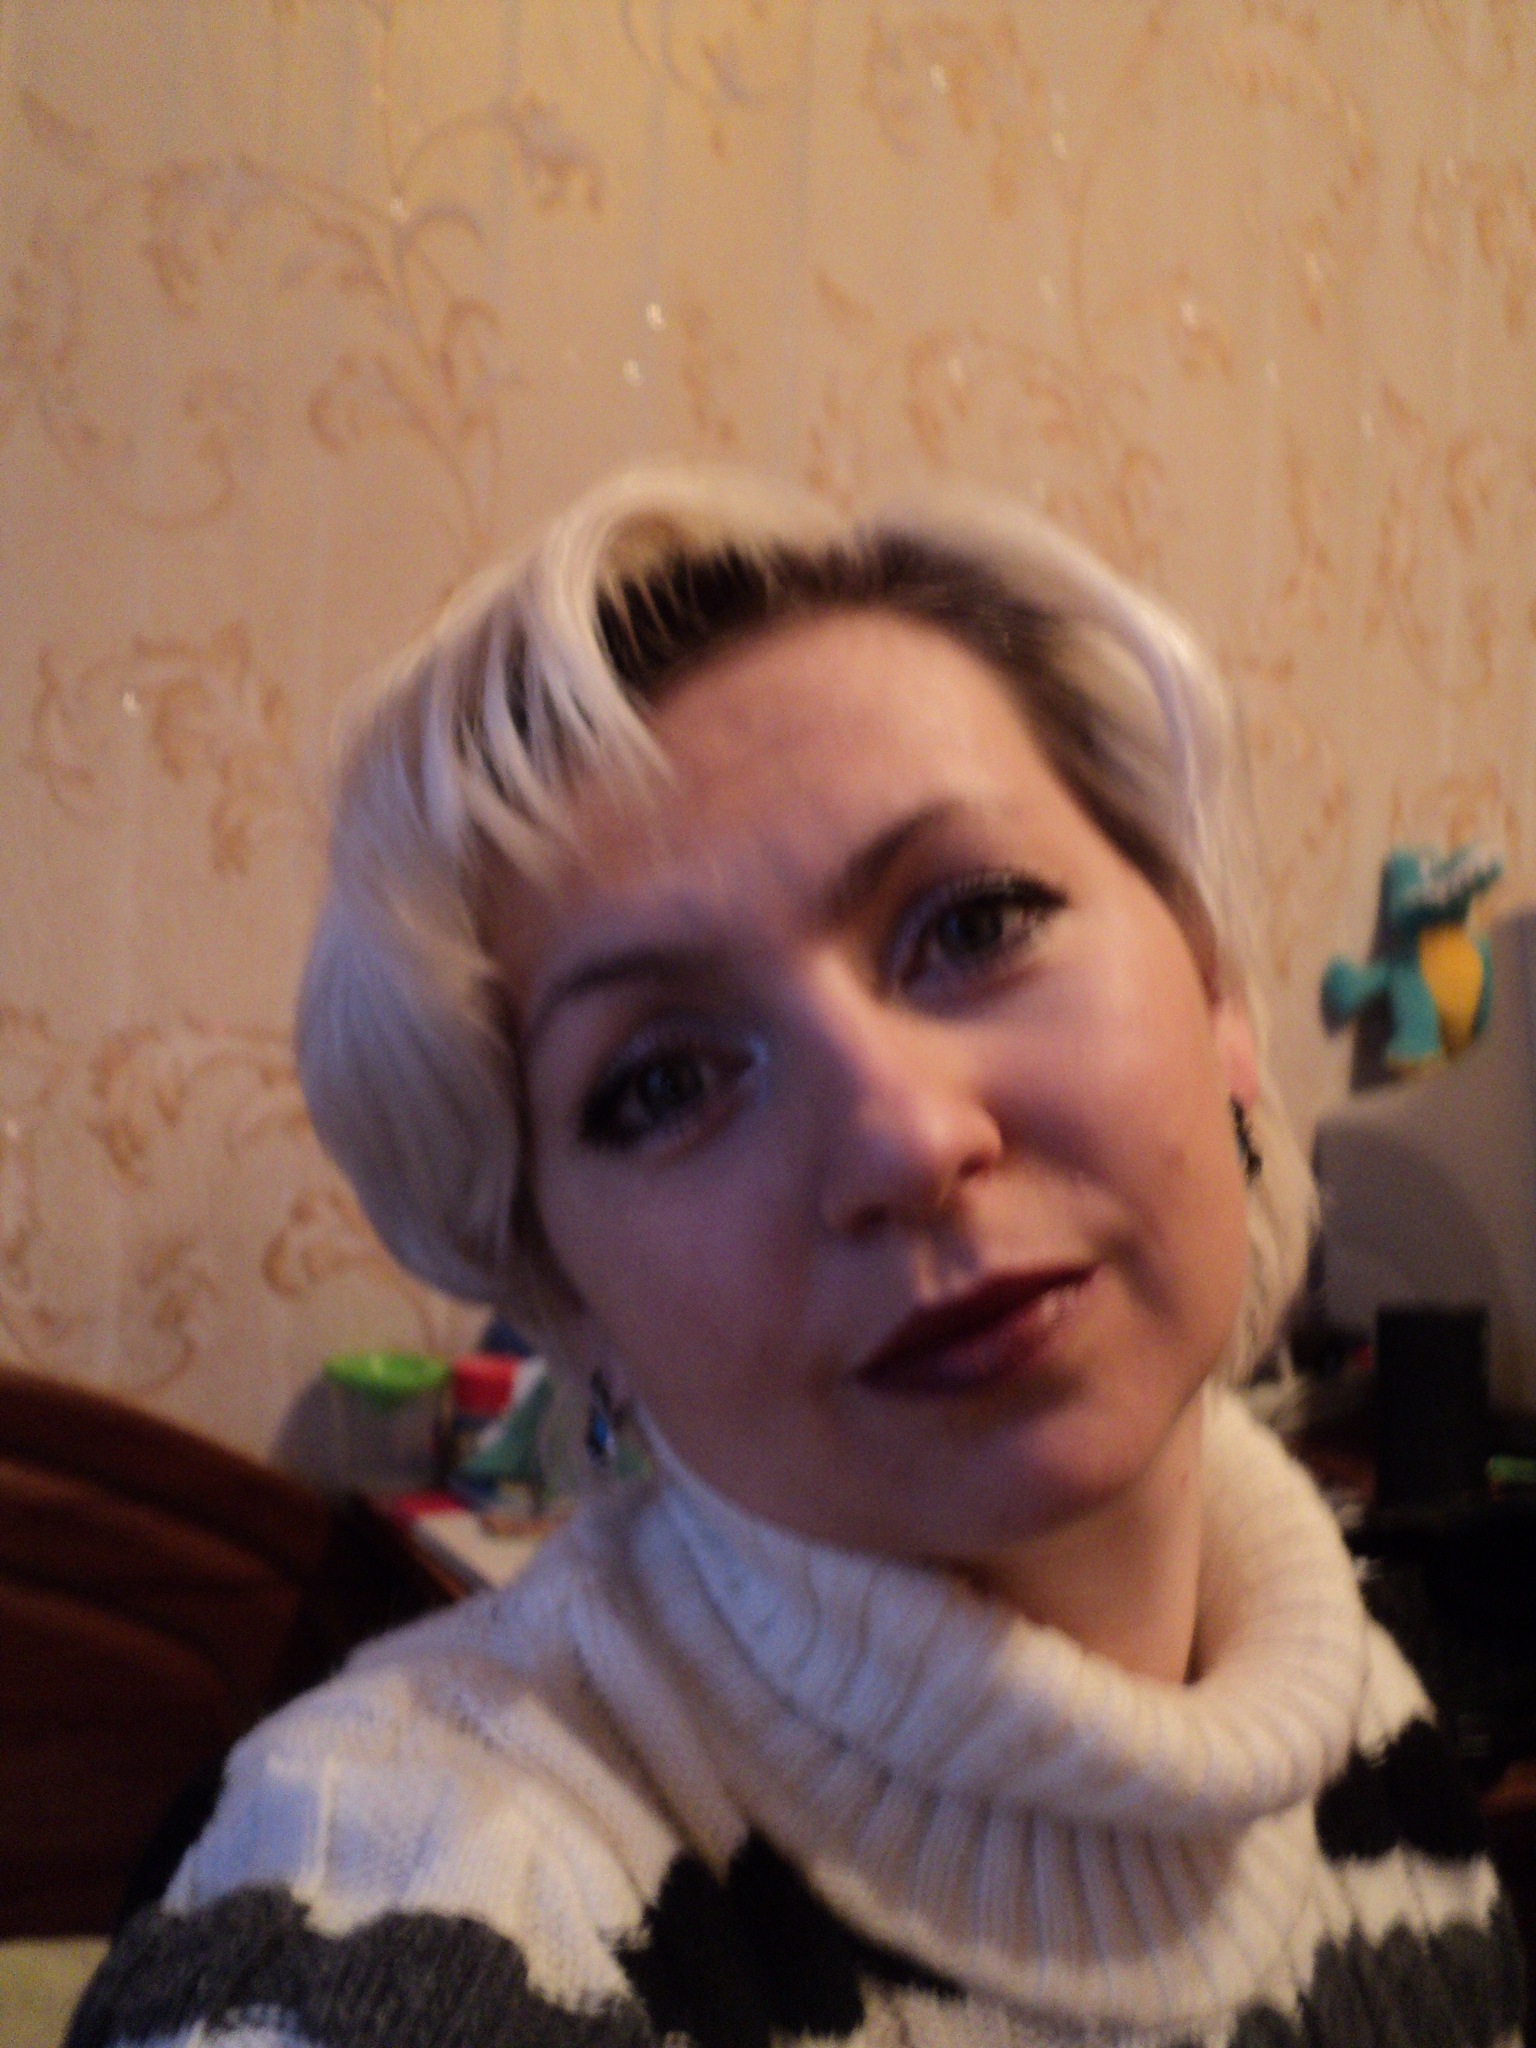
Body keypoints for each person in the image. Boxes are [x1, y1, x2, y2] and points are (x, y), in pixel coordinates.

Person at [71, 468, 1523, 2048]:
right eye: (662, 1084)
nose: (903, 1141)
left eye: (974, 923)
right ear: (572, 1309)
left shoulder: (1366, 1716)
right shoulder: (399, 1877)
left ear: (1217, 992)